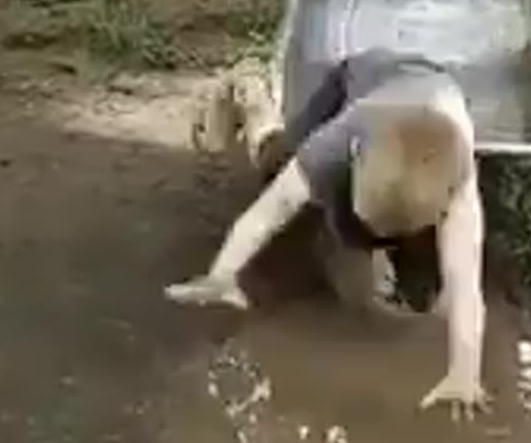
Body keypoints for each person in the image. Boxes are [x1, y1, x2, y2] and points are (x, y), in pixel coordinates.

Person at [166, 48, 489, 418]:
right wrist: (222, 275)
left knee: (441, 270)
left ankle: (385, 245)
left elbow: (467, 284)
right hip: (359, 77)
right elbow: (267, 213)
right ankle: (251, 94)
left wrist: (464, 372)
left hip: (432, 92)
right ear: (353, 157)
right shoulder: (335, 144)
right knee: (275, 164)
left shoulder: (460, 182)